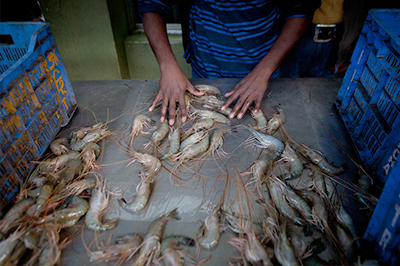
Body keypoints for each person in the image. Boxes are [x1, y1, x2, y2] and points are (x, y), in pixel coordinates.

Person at [139, 0, 320, 126]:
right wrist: (167, 65)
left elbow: (302, 10)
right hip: (205, 69)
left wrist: (264, 71)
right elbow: (151, 4)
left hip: (265, 75)